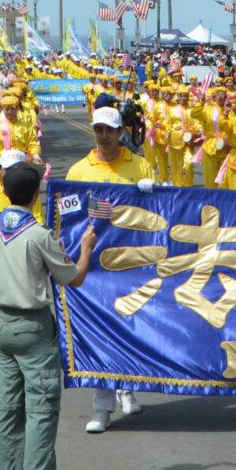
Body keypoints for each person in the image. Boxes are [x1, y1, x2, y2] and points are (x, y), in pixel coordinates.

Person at [0, 163, 90, 470]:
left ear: (4, 191)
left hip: (3, 323)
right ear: (35, 193)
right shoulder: (38, 235)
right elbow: (73, 278)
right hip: (33, 325)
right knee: (40, 410)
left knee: (9, 409)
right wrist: (86, 248)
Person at [65, 106, 154, 433]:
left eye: (110, 130)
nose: (104, 136)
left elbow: (154, 212)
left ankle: (127, 388)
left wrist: (150, 192)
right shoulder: (78, 170)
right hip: (95, 267)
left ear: (120, 133)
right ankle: (101, 408)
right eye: (99, 130)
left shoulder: (139, 164)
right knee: (99, 334)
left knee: (129, 329)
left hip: (131, 263)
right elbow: (72, 217)